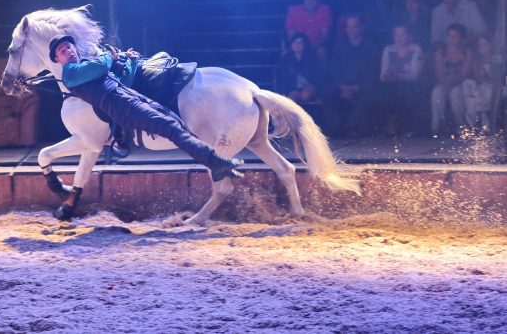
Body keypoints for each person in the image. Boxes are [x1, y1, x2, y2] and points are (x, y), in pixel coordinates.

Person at [47, 34, 242, 217]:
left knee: (175, 124)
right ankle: (215, 161)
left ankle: (214, 161)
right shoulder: (71, 73)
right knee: (171, 129)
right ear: (57, 60)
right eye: (62, 51)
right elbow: (99, 67)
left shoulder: (87, 68)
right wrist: (110, 55)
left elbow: (123, 80)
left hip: (131, 98)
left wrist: (130, 60)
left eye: (69, 46)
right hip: (122, 107)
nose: (68, 50)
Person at [323, 15, 381, 137]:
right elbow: (334, 69)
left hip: (362, 86)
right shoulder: (339, 47)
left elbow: (373, 71)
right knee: (329, 94)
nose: (351, 30)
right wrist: (341, 86)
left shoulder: (371, 48)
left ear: (361, 28)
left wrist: (356, 87)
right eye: (349, 27)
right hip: (342, 86)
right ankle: (334, 132)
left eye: (354, 26)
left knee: (370, 96)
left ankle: (355, 129)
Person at [377, 24, 425, 136]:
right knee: (383, 92)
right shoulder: (388, 50)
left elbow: (415, 75)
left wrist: (398, 75)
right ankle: (388, 127)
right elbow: (383, 73)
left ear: (409, 36)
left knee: (407, 92)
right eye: (396, 35)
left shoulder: (416, 49)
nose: (399, 38)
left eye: (402, 34)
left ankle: (410, 128)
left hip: (412, 85)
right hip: (392, 85)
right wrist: (387, 76)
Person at [430, 23, 473, 135]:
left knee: (455, 94)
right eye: (449, 35)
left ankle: (460, 126)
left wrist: (454, 78)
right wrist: (446, 79)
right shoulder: (441, 51)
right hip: (445, 83)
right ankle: (437, 126)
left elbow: (465, 73)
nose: (451, 39)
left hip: (461, 84)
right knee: (437, 92)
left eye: (455, 36)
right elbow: (439, 73)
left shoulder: (467, 52)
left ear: (461, 38)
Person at [277, 33, 322, 105]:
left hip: (309, 86)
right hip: (293, 88)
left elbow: (317, 77)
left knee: (306, 95)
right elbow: (283, 78)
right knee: (290, 100)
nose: (297, 45)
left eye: (300, 42)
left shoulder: (311, 58)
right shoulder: (285, 59)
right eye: (295, 42)